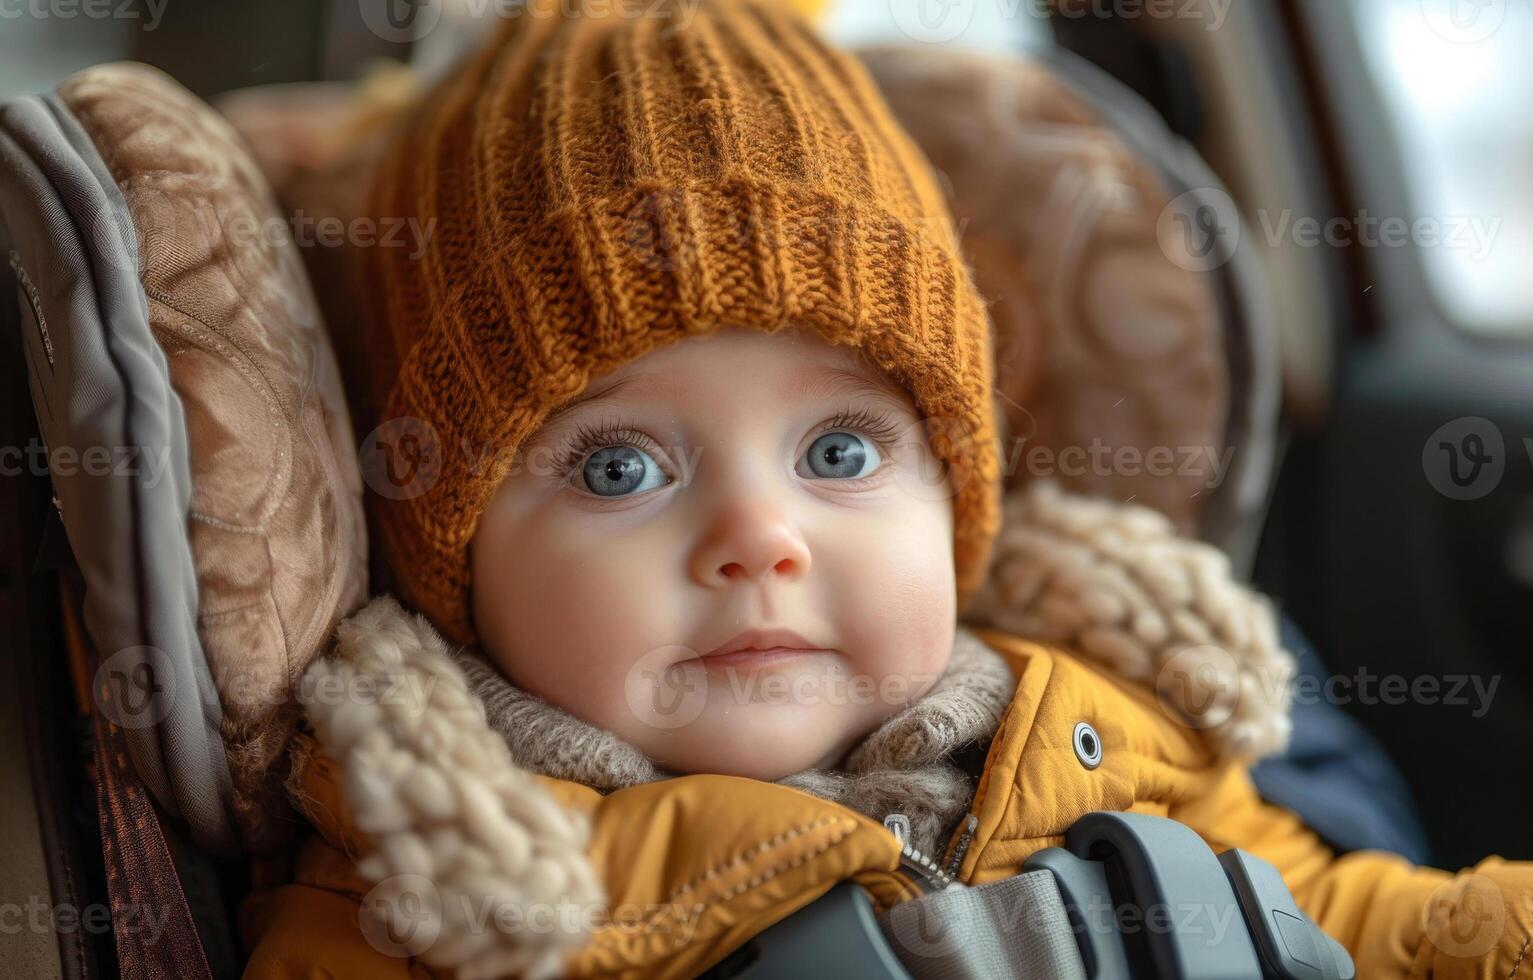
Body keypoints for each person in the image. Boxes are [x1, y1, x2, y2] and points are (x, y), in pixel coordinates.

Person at [238, 1, 1533, 977]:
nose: (759, 540)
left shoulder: (1111, 730)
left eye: (840, 454)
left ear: (958, 498)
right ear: (448, 554)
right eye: (618, 467)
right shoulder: (421, 903)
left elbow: (1367, 926)